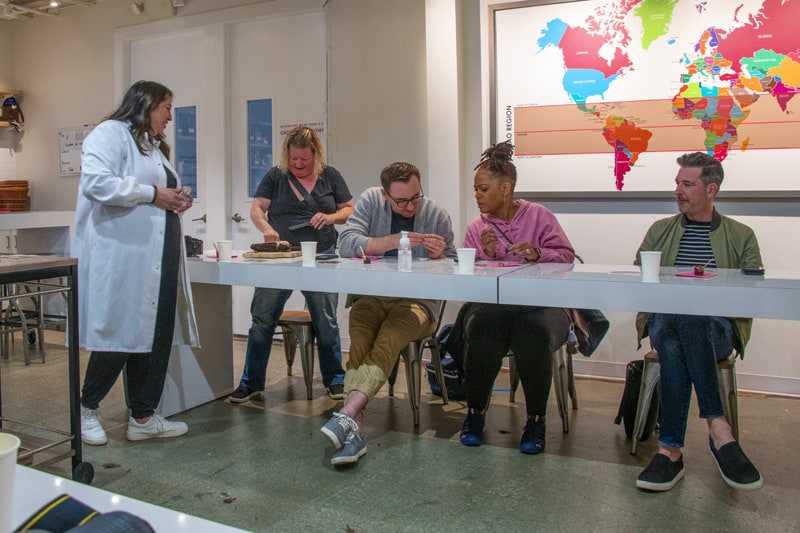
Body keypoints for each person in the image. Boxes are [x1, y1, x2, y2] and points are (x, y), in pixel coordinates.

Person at [74, 80, 199, 445]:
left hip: (158, 255)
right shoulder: (109, 134)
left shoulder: (151, 145)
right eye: (167, 108)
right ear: (146, 105)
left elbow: (157, 192)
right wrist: (152, 193)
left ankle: (143, 416)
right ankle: (85, 409)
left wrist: (175, 198)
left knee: (154, 334)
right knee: (120, 334)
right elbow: (96, 183)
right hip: (125, 255)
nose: (170, 117)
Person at [633, 152, 763, 492]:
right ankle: (719, 430)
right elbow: (639, 279)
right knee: (680, 321)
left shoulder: (741, 235)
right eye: (677, 183)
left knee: (682, 335)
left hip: (717, 328)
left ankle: (670, 452)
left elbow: (752, 290)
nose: (678, 190)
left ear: (711, 189)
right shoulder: (659, 231)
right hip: (663, 321)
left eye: (687, 184)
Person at [320, 161, 456, 466]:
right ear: (385, 194)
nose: (410, 206)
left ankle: (345, 415)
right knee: (360, 340)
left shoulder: (435, 213)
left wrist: (440, 256)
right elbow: (345, 243)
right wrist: (389, 242)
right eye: (402, 201)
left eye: (415, 197)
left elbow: (455, 264)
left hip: (418, 302)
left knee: (389, 337)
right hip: (371, 296)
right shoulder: (371, 200)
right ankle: (355, 430)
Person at [450, 141, 575, 455]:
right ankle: (475, 414)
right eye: (475, 189)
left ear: (505, 189)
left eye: (483, 189)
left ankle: (536, 420)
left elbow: (567, 257)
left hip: (541, 305)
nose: (477, 195)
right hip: (494, 306)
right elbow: (469, 279)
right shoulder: (477, 228)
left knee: (531, 333)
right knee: (481, 329)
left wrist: (537, 253)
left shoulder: (538, 216)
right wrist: (486, 257)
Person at [229, 126, 353, 403]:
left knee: (326, 320)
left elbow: (348, 209)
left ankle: (335, 379)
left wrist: (330, 217)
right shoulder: (276, 176)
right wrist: (266, 228)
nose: (298, 164)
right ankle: (251, 382)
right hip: (281, 258)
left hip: (321, 255)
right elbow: (257, 208)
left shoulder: (330, 176)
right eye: (294, 159)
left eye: (304, 160)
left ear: (316, 155)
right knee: (262, 318)